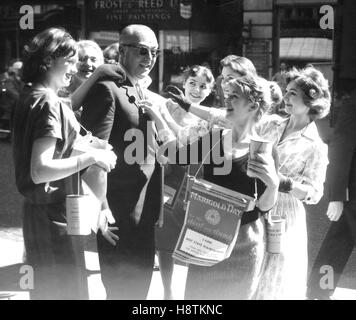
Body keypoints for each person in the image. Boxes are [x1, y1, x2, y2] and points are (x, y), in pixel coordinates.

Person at [141, 74, 279, 300]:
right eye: (227, 95)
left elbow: (264, 207)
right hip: (206, 241)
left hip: (245, 246)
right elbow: (177, 155)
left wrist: (273, 184)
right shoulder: (214, 138)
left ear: (253, 106)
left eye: (234, 97)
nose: (226, 101)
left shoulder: (264, 149)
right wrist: (157, 117)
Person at [12, 27, 120, 300]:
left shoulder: (30, 95)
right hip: (53, 216)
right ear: (49, 60)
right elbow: (40, 170)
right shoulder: (49, 102)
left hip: (39, 215)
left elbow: (55, 149)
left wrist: (90, 145)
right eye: (70, 60)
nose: (75, 67)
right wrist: (94, 156)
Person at [80, 24, 165, 300]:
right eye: (142, 51)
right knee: (121, 292)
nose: (149, 58)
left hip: (145, 209)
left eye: (154, 52)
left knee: (139, 292)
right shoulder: (108, 89)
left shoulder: (141, 89)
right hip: (118, 212)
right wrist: (101, 208)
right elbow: (92, 152)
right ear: (122, 51)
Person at [255, 66, 330, 299]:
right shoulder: (270, 124)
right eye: (286, 92)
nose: (285, 97)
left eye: (292, 94)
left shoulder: (316, 145)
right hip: (255, 206)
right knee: (249, 276)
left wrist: (284, 183)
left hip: (284, 217)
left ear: (310, 100)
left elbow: (315, 194)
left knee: (275, 282)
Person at [155, 65, 215, 300]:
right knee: (165, 236)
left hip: (194, 177)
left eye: (203, 86)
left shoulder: (208, 115)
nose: (197, 90)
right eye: (192, 83)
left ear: (210, 91)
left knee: (195, 233)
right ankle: (169, 293)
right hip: (169, 175)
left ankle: (195, 294)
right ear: (183, 83)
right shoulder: (168, 106)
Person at [306, 89, 356, 300]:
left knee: (338, 241)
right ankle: (319, 291)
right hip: (353, 194)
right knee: (338, 242)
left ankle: (319, 291)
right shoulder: (354, 105)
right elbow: (340, 151)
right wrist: (336, 196)